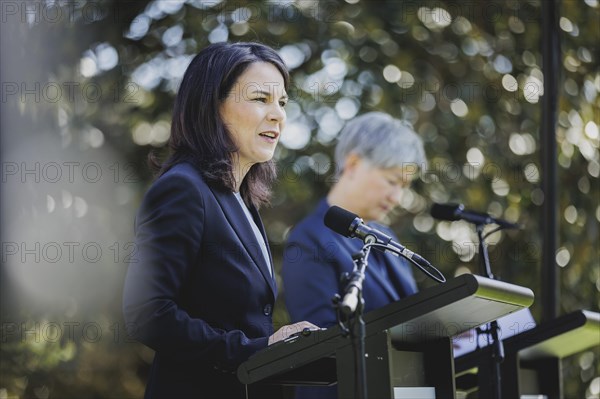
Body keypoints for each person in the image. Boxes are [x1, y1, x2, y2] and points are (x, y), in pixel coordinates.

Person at [122, 42, 317, 399]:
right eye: (260, 99)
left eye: (283, 102)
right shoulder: (183, 188)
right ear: (213, 105)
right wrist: (255, 349)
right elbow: (147, 312)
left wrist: (276, 344)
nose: (277, 115)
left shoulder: (240, 200)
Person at [282, 112, 427, 398]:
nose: (398, 198)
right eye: (391, 181)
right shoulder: (309, 240)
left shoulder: (389, 239)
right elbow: (320, 344)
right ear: (353, 164)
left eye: (404, 187)